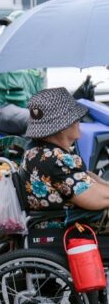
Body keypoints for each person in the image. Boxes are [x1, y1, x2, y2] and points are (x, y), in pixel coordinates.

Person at [21, 87, 109, 226]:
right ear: (62, 126)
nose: (79, 121)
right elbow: (94, 197)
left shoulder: (38, 151)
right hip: (67, 225)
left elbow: (87, 177)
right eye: (76, 118)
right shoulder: (55, 158)